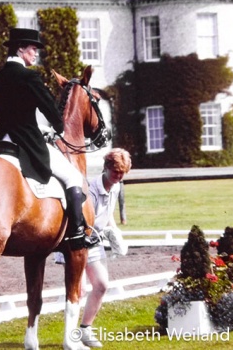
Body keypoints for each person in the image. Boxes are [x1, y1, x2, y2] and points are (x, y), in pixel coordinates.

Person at [0, 28, 98, 250]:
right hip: (27, 141)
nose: (35, 53)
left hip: (2, 140)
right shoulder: (30, 77)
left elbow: (12, 114)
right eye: (32, 49)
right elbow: (51, 110)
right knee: (73, 177)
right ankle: (77, 234)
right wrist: (57, 126)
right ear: (20, 49)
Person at [79, 148, 132, 348]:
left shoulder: (116, 187)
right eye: (115, 172)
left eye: (122, 173)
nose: (118, 176)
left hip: (95, 241)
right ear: (106, 167)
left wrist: (115, 232)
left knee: (101, 285)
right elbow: (85, 223)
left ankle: (85, 329)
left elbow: (107, 215)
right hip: (79, 241)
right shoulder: (91, 189)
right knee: (79, 289)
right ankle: (70, 336)